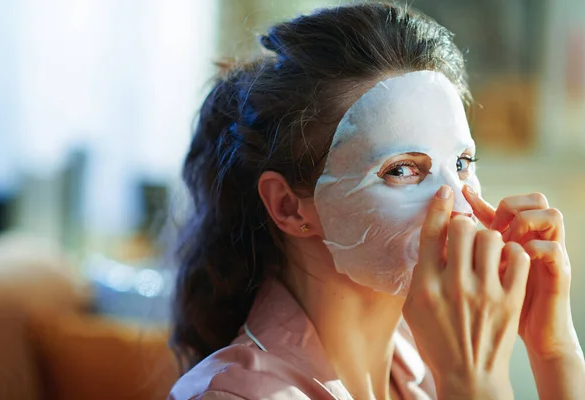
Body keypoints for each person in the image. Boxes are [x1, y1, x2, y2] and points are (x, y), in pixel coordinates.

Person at [169, 3, 585, 399]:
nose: (459, 208)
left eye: (460, 163)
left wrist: (555, 352)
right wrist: (471, 384)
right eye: (402, 169)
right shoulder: (232, 395)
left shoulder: (424, 357)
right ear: (288, 206)